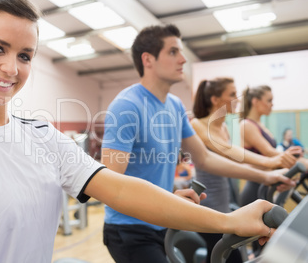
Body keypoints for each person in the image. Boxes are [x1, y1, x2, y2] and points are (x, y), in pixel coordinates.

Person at [0, 0, 293, 262]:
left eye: (24, 55)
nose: (12, 67)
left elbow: (118, 186)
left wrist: (229, 219)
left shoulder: (41, 136)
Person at [101, 24, 295, 263]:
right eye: (173, 52)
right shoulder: (126, 107)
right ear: (148, 59)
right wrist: (170, 197)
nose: (183, 59)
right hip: (129, 230)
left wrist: (266, 176)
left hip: (162, 221)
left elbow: (204, 158)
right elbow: (109, 185)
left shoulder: (174, 105)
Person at [191, 77, 298, 263]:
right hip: (206, 202)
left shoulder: (223, 127)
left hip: (224, 202)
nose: (238, 99)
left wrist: (271, 173)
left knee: (221, 255)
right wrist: (271, 162)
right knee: (226, 256)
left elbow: (235, 162)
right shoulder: (198, 125)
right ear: (215, 99)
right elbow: (230, 152)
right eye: (232, 95)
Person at [239, 85, 307, 207]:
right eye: (269, 100)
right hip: (255, 188)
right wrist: (297, 159)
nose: (272, 104)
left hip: (267, 184)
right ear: (255, 101)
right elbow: (269, 152)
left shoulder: (260, 125)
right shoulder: (246, 125)